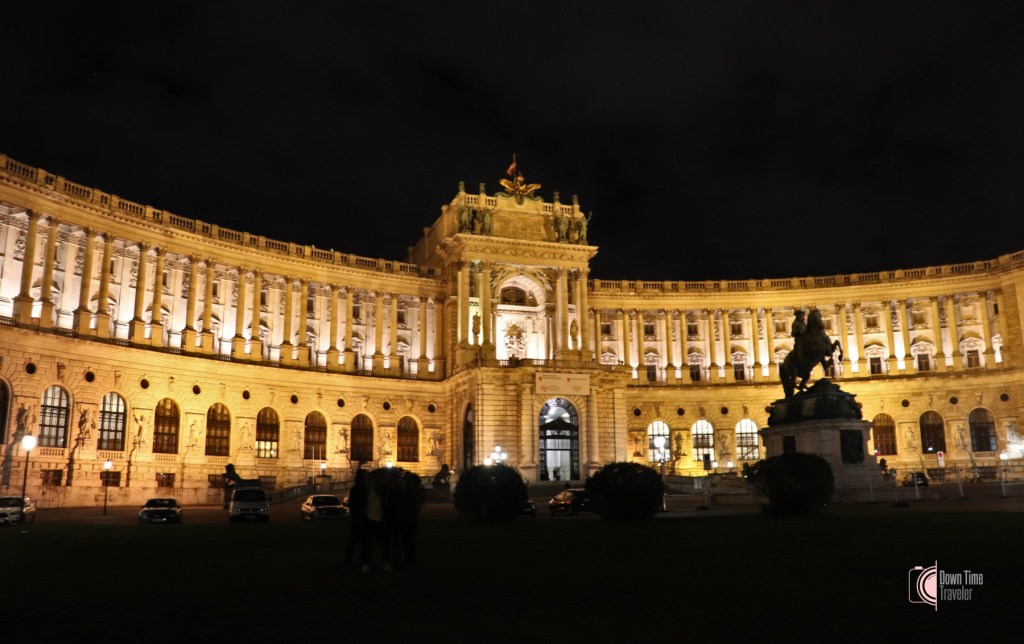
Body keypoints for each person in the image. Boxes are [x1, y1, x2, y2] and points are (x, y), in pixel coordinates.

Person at [342, 469, 368, 569]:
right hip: (361, 518)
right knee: (361, 542)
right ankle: (363, 562)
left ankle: (350, 561)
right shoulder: (363, 489)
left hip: (357, 518)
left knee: (353, 542)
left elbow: (351, 504)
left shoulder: (356, 488)